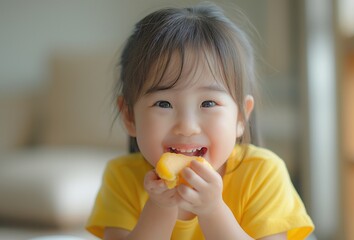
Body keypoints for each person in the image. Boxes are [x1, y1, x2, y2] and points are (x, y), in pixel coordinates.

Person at [86, 2, 314, 240]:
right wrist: (160, 208)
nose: (187, 127)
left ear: (240, 116)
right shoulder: (121, 178)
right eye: (163, 104)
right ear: (130, 116)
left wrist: (212, 211)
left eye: (208, 103)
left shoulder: (262, 173)